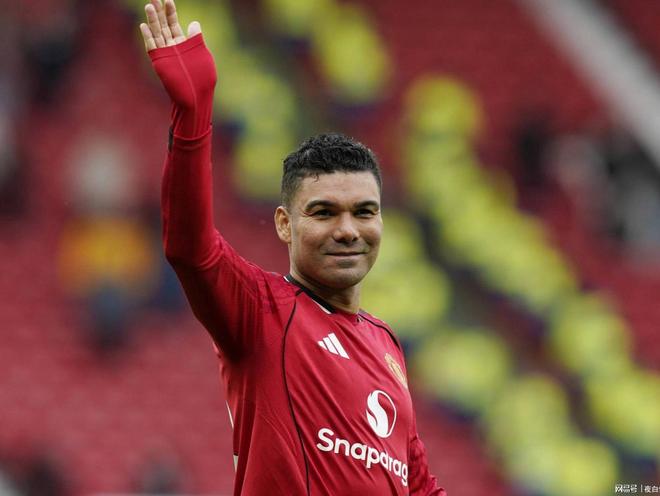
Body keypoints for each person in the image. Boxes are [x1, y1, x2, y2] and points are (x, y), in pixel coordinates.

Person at [139, 1, 447, 494]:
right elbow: (190, 248)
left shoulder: (386, 344)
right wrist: (192, 115)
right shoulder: (260, 312)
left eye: (364, 212)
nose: (348, 230)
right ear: (285, 224)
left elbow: (420, 484)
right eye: (324, 212)